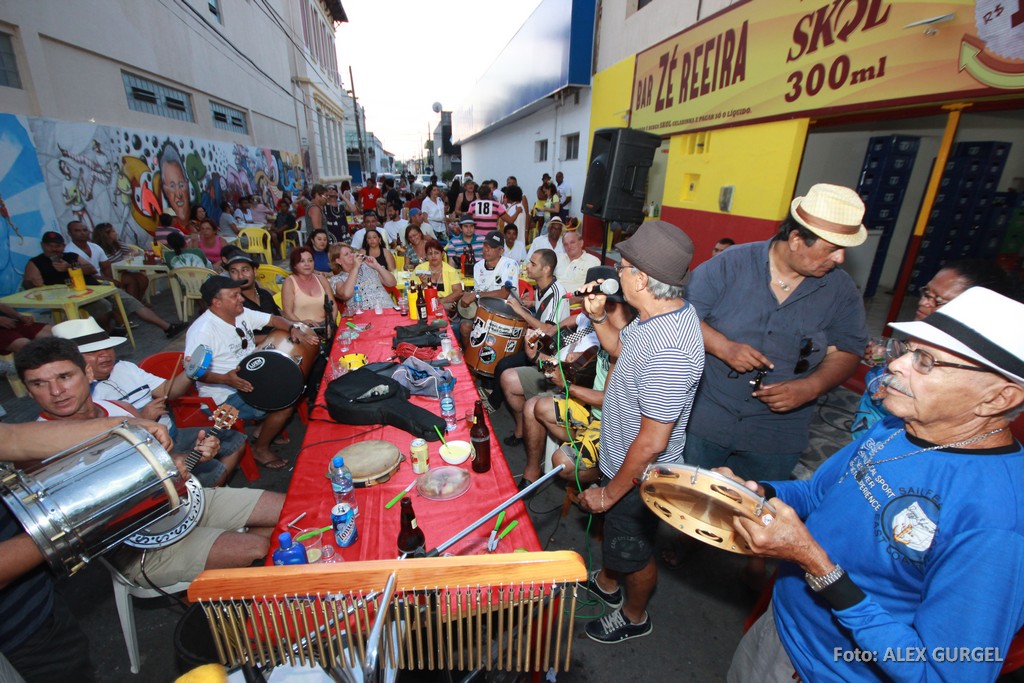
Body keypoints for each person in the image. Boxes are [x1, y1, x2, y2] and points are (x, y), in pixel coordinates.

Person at [724, 286, 1024, 683]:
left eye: (926, 361)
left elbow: (942, 674)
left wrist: (818, 566)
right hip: (779, 632)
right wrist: (756, 491)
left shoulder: (996, 521)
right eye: (908, 350)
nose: (897, 366)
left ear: (998, 398)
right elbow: (818, 494)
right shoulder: (896, 426)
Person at [14, 337, 285, 589]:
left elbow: (161, 463)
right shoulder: (32, 452)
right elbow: (77, 533)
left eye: (65, 376)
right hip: (137, 545)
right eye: (39, 383)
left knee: (291, 511)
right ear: (27, 390)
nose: (57, 391)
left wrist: (187, 458)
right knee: (261, 549)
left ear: (87, 373)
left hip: (184, 503)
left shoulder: (121, 410)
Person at [684, 183, 868, 484]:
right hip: (707, 420)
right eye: (832, 248)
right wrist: (722, 346)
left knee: (754, 517)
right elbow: (679, 315)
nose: (840, 259)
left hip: (776, 437)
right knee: (687, 508)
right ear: (796, 239)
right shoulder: (731, 264)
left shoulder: (840, 290)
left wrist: (811, 387)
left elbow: (847, 349)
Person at [576, 220, 704, 644]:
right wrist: (597, 319)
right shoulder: (654, 317)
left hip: (638, 480)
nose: (617, 274)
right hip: (622, 465)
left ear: (642, 279)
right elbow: (619, 348)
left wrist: (610, 494)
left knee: (634, 554)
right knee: (619, 545)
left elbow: (653, 441)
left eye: (623, 266)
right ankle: (609, 584)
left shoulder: (669, 348)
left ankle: (634, 616)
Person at [0, 417, 173, 683]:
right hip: (14, 642)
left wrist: (125, 427)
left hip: (38, 601)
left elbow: (11, 438)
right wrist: (84, 521)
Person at [51, 318, 246, 487]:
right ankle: (197, 498)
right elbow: (102, 451)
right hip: (146, 453)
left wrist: (191, 372)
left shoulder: (126, 367)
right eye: (93, 351)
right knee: (214, 469)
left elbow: (169, 391)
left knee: (235, 441)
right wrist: (142, 418)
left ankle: (209, 493)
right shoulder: (76, 397)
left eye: (108, 347)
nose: (105, 354)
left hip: (173, 432)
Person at [852, 259, 1020, 438]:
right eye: (926, 292)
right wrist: (890, 352)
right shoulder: (918, 340)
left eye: (939, 300)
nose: (924, 302)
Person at [184, 276, 320, 469]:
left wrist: (292, 328)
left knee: (293, 379)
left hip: (251, 377)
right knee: (285, 401)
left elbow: (273, 319)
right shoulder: (203, 331)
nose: (241, 298)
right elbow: (193, 371)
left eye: (239, 294)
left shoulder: (240, 313)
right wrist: (227, 380)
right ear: (217, 302)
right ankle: (261, 448)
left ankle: (263, 429)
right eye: (234, 296)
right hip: (224, 397)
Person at [520, 286, 635, 487]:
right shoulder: (597, 329)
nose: (597, 310)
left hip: (612, 422)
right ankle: (582, 449)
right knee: (537, 407)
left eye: (607, 306)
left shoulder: (628, 343)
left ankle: (604, 473)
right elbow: (564, 364)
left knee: (562, 462)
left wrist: (566, 386)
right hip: (590, 406)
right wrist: (537, 356)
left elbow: (606, 399)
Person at [490, 248, 572, 430]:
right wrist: (530, 304)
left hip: (549, 352)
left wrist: (520, 311)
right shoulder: (542, 286)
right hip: (538, 344)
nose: (527, 267)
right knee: (506, 353)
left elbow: (549, 330)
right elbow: (544, 310)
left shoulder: (557, 293)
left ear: (546, 269)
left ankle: (496, 405)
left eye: (533, 264)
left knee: (503, 365)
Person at [63, 221, 185, 338]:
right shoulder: (69, 252)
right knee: (110, 303)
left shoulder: (94, 247)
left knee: (136, 291)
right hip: (88, 286)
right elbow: (87, 273)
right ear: (70, 233)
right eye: (77, 230)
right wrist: (110, 280)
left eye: (84, 230)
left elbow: (105, 267)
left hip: (103, 282)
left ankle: (167, 327)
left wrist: (112, 280)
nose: (82, 233)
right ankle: (116, 325)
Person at [23, 231, 116, 331]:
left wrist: (69, 267)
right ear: (42, 245)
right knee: (103, 306)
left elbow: (91, 269)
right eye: (49, 246)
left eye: (57, 246)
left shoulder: (71, 256)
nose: (54, 249)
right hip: (63, 297)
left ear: (63, 246)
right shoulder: (36, 262)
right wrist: (33, 283)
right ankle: (103, 333)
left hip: (89, 290)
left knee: (119, 297)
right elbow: (27, 284)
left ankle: (110, 330)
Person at [458, 231, 520, 347]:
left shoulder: (510, 264)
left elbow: (503, 294)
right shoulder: (478, 266)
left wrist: (476, 295)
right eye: (485, 246)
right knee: (464, 327)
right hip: (483, 312)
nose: (486, 249)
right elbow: (477, 294)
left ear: (501, 251)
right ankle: (468, 359)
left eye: (491, 247)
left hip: (505, 314)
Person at [224, 250, 280, 340]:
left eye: (245, 270)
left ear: (255, 271)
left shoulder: (265, 295)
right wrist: (272, 337)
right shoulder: (232, 303)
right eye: (234, 271)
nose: (240, 276)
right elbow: (236, 339)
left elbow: (278, 316)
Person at [329, 242, 397, 315]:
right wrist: (355, 267)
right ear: (338, 261)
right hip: (363, 316)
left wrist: (377, 266)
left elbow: (392, 283)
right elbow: (346, 294)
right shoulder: (337, 278)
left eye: (351, 252)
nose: (351, 255)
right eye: (346, 254)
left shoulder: (368, 267)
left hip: (387, 309)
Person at [282, 246, 336, 329]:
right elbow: (287, 313)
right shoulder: (289, 282)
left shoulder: (321, 279)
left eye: (310, 260)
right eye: (302, 261)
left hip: (325, 325)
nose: (307, 264)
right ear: (294, 265)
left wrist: (330, 325)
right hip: (301, 327)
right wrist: (302, 323)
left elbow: (333, 306)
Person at [92, 222, 149, 301]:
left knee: (143, 278)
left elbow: (135, 252)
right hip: (110, 275)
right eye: (113, 231)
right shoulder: (99, 249)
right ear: (105, 234)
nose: (116, 233)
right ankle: (130, 306)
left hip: (122, 271)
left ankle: (138, 303)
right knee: (131, 281)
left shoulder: (117, 244)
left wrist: (128, 256)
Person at [413, 239, 465, 313]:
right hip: (425, 305)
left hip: (446, 304)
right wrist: (424, 284)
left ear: (442, 254)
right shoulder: (420, 269)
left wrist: (441, 301)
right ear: (426, 256)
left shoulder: (451, 270)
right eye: (430, 254)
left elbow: (458, 292)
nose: (433, 256)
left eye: (436, 253)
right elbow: (412, 292)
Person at [555, 229, 600, 294]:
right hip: (553, 297)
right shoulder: (558, 258)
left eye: (572, 242)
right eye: (565, 244)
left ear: (581, 243)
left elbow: (595, 288)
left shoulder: (593, 261)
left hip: (574, 301)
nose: (569, 246)